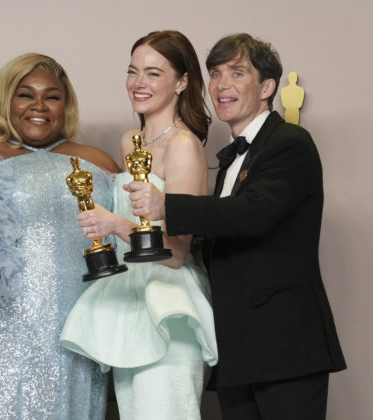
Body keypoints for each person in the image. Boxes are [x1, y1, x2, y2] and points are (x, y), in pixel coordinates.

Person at [126, 33, 346, 420]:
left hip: (285, 348)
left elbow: (253, 213)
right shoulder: (232, 158)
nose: (222, 85)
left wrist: (166, 205)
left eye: (237, 73)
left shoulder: (290, 142)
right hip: (238, 349)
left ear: (267, 88)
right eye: (215, 74)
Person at [0, 52, 119, 419]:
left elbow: (131, 238)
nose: (39, 105)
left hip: (73, 336)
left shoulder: (97, 161)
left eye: (52, 96)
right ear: (6, 99)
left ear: (66, 105)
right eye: (25, 94)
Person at [60, 31, 218, 419]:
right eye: (133, 72)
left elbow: (176, 253)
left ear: (181, 82)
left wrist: (115, 224)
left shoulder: (184, 145)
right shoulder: (131, 141)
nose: (138, 83)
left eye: (153, 73)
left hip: (169, 305)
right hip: (128, 301)